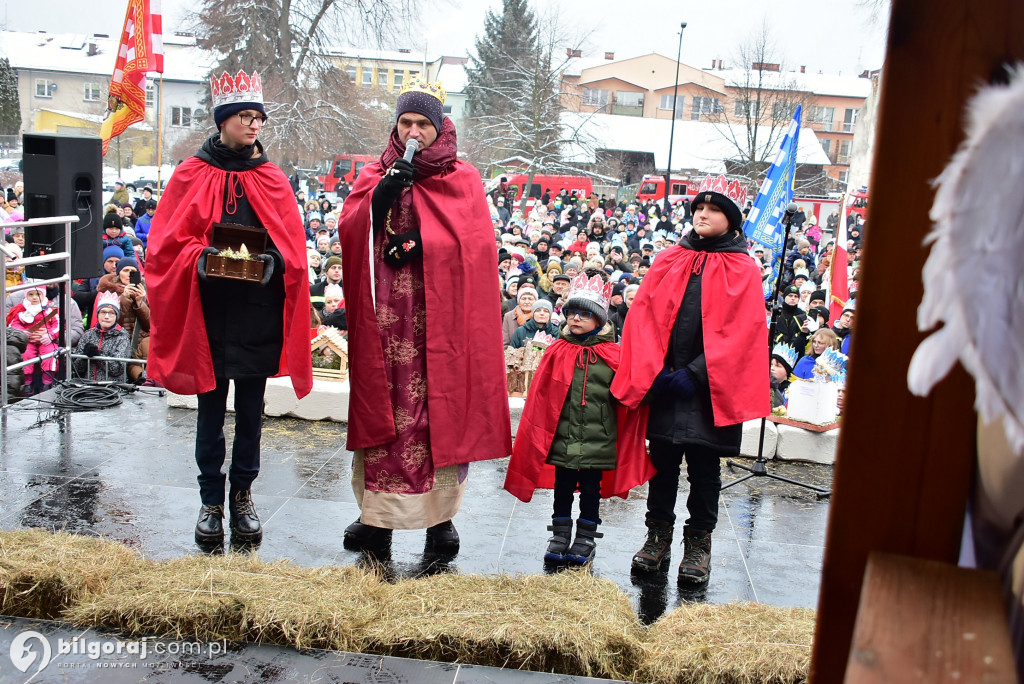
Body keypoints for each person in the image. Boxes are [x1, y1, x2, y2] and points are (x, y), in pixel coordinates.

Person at [337, 78, 511, 554]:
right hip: (388, 315)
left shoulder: (463, 178)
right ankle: (378, 519)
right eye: (406, 122)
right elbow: (351, 229)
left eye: (423, 124)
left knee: (441, 414)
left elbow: (474, 249)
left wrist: (419, 244)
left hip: (442, 321)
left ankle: (441, 521)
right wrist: (380, 199)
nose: (414, 132)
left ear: (439, 127)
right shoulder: (377, 171)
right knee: (387, 413)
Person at [145, 68, 313, 546]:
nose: (255, 125)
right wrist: (201, 260)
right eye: (245, 116)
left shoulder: (272, 179)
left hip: (256, 314)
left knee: (252, 414)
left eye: (259, 117)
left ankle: (243, 497)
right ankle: (210, 502)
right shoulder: (190, 174)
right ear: (223, 121)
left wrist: (270, 262)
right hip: (209, 318)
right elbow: (164, 246)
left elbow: (292, 251)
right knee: (209, 412)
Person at [612, 175, 768, 586]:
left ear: (732, 222)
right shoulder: (669, 259)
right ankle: (657, 537)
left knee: (704, 470)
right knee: (661, 466)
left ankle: (699, 544)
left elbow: (742, 331)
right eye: (699, 207)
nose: (702, 213)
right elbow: (644, 317)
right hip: (665, 383)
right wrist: (657, 370)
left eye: (714, 209)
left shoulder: (744, 268)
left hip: (709, 391)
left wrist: (696, 374)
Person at [504, 274, 653, 564]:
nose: (575, 319)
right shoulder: (557, 351)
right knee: (562, 486)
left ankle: (586, 536)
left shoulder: (614, 355)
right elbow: (541, 397)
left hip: (599, 439)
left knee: (590, 489)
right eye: (572, 313)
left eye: (584, 315)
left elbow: (629, 392)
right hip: (562, 436)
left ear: (599, 320)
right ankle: (560, 534)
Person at [5, 285, 59, 395]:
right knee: (25, 355)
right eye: (31, 294)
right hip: (28, 341)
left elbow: (58, 324)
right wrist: (24, 334)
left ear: (43, 295)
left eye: (38, 294)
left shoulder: (50, 310)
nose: (34, 297)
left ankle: (47, 382)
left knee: (50, 353)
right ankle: (27, 383)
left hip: (46, 340)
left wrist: (50, 335)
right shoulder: (21, 311)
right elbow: (14, 324)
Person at [73, 291, 131, 382]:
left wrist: (99, 355)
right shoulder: (88, 334)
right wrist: (84, 357)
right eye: (103, 312)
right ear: (98, 314)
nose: (107, 316)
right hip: (89, 387)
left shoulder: (122, 337)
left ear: (116, 316)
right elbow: (77, 368)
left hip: (113, 389)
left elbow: (117, 369)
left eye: (111, 313)